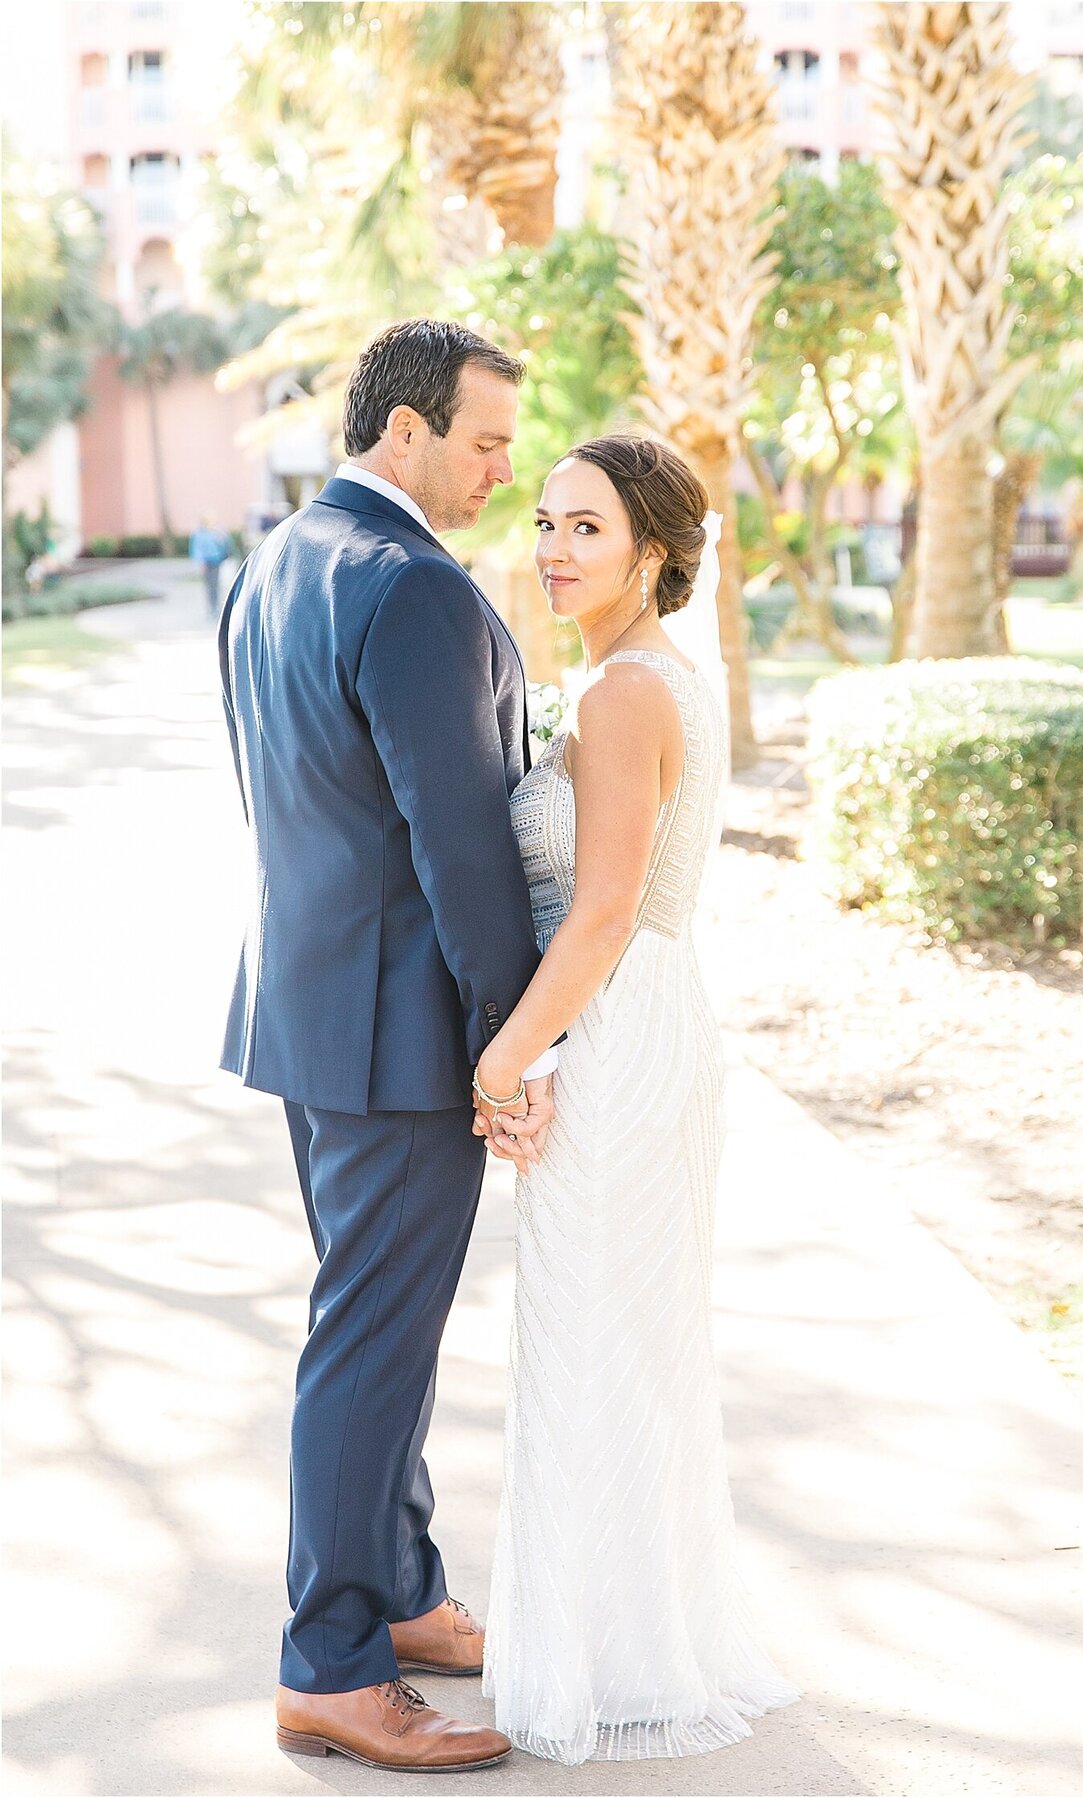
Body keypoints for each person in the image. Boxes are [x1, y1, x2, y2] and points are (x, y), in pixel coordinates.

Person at [217, 320, 559, 1773]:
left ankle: (404, 1588)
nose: (502, 471)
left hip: (306, 1016)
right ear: (405, 431)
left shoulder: (274, 563)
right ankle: (332, 1660)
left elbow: (277, 796)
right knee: (368, 1339)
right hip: (404, 1035)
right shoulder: (416, 587)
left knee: (384, 1327)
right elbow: (462, 849)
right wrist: (509, 1046)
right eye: (484, 442)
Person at [473, 435, 800, 1763]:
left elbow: (603, 907)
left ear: (650, 554)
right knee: (626, 1337)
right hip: (656, 1017)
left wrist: (505, 1062)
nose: (552, 546)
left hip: (614, 1033)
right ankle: (626, 1636)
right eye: (547, 520)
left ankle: (608, 1663)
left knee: (592, 1334)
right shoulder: (659, 672)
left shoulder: (619, 694)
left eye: (585, 529)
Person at [190, 515, 232, 618]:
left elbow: (226, 545)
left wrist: (222, 535)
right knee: (209, 586)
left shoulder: (216, 532)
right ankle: (211, 607)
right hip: (205, 563)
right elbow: (196, 549)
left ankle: (216, 607)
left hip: (216, 560)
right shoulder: (199, 533)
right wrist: (200, 562)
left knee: (216, 584)